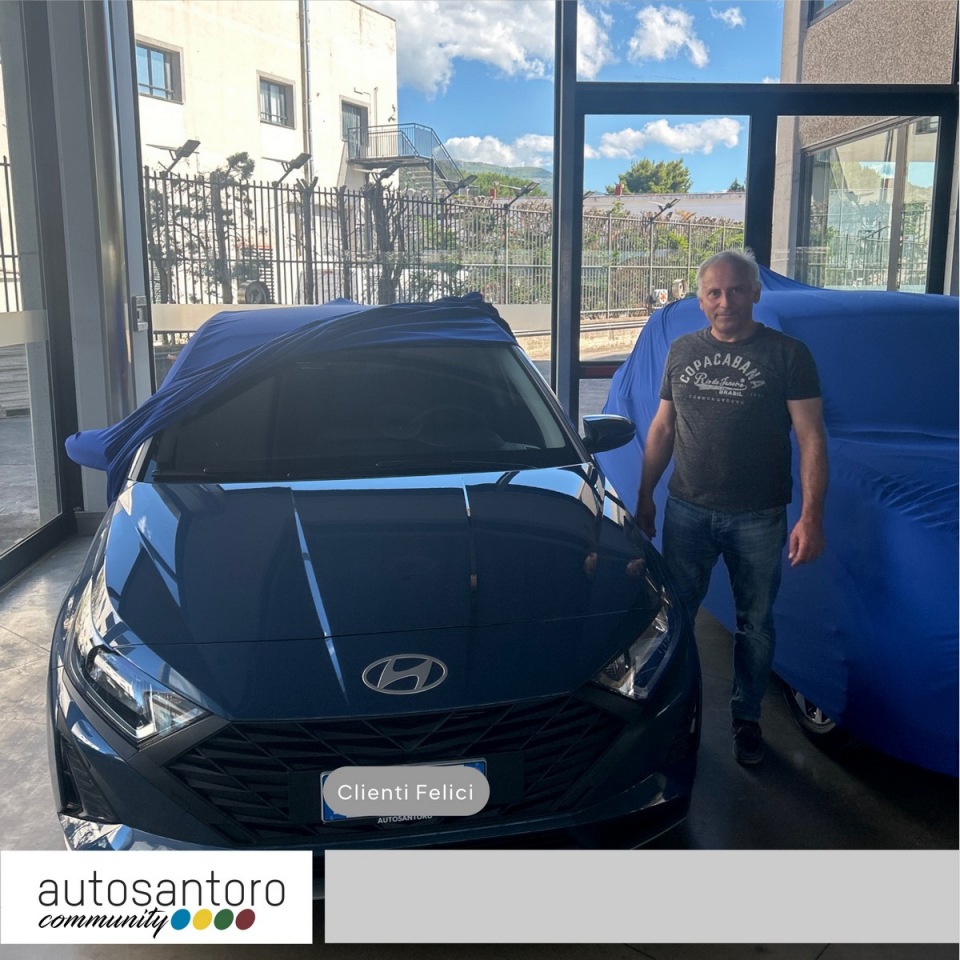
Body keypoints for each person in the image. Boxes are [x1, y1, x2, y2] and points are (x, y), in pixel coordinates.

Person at [635, 249, 828, 765]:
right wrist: (646, 495)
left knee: (755, 625)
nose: (726, 302)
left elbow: (811, 438)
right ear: (700, 300)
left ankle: (746, 717)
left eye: (737, 290)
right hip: (687, 512)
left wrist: (811, 517)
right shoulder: (681, 350)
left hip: (759, 516)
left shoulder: (788, 355)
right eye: (715, 293)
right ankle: (674, 713)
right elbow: (663, 427)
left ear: (755, 293)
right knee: (675, 617)